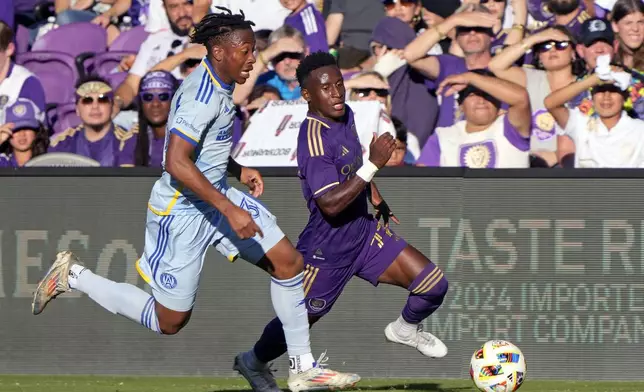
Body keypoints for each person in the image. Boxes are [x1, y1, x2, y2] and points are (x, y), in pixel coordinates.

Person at [31, 9, 360, 392]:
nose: (253, 58)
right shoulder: (201, 96)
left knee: (289, 264)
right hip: (182, 212)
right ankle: (74, 276)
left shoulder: (218, 85)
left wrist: (236, 168)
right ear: (219, 52)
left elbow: (201, 149)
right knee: (169, 321)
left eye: (254, 50)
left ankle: (299, 366)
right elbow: (175, 162)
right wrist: (230, 208)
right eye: (246, 51)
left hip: (216, 193)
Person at [235, 52, 449, 392]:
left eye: (339, 85)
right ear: (306, 95)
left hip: (363, 234)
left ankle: (405, 329)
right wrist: (375, 166)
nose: (336, 93)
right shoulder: (313, 138)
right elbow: (330, 205)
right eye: (326, 88)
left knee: (433, 285)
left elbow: (353, 164)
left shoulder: (344, 115)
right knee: (298, 323)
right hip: (327, 247)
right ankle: (253, 362)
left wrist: (373, 193)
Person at [416, 69, 532, 168]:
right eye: (473, 95)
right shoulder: (442, 137)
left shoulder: (510, 127)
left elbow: (521, 99)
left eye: (488, 94)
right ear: (460, 105)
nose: (481, 100)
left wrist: (470, 78)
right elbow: (422, 182)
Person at [545, 57, 644, 167]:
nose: (606, 97)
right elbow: (550, 103)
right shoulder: (581, 125)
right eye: (600, 90)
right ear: (592, 96)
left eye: (613, 90)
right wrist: (594, 79)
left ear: (625, 97)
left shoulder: (640, 129)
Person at [48, 76, 137, 167]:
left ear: (112, 106)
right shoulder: (62, 143)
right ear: (77, 109)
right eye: (87, 100)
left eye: (102, 100)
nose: (95, 106)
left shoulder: (127, 143)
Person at [132, 70, 179, 167]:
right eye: (148, 97)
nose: (155, 104)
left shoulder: (192, 142)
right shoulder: (131, 141)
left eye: (163, 96)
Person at [0, 98, 49, 167]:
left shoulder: (51, 158)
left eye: (27, 128)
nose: (22, 134)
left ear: (37, 131)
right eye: (15, 130)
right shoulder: (2, 162)